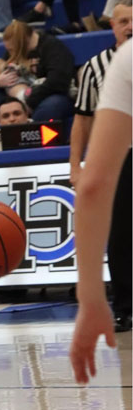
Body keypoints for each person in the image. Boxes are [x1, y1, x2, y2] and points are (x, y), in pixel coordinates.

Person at [69, 37, 131, 384]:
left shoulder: (126, 61)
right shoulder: (99, 66)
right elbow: (81, 119)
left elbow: (93, 187)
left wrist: (91, 298)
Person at [0, 19, 74, 144]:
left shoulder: (53, 47)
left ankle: (33, 149)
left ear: (23, 42)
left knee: (49, 108)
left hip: (53, 94)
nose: (10, 54)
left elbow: (58, 82)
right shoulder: (14, 51)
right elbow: (4, 72)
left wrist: (29, 100)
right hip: (22, 94)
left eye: (12, 50)